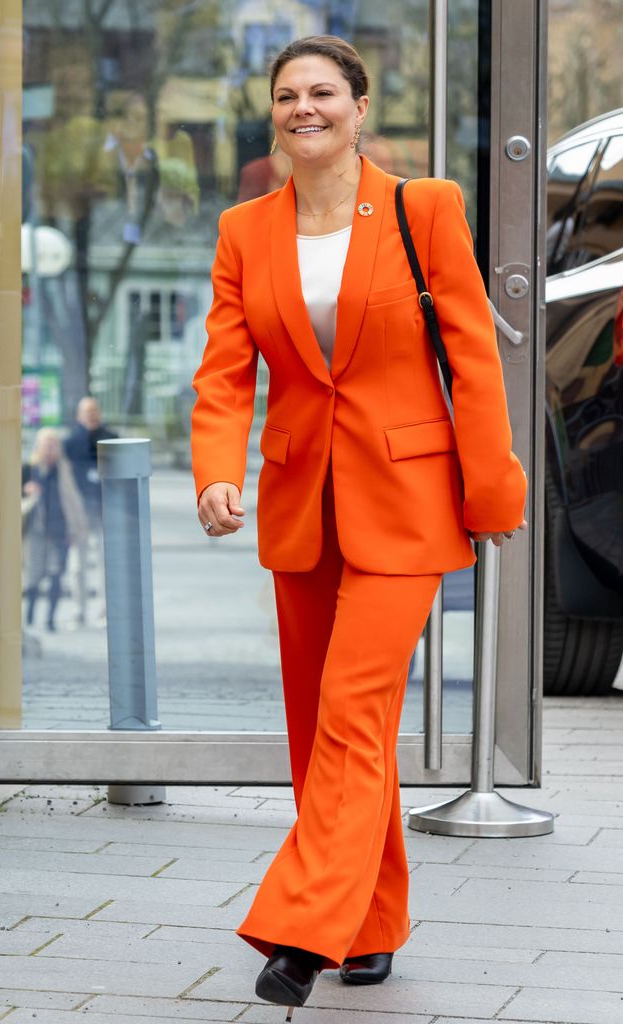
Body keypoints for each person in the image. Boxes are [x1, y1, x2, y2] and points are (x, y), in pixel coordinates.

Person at [190, 35, 528, 1020]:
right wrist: (217, 471)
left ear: (357, 106)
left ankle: (300, 931)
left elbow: (470, 357)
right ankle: (371, 923)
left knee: (351, 712)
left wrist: (490, 490)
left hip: (407, 502)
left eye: (321, 92)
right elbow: (223, 373)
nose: (304, 108)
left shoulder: (423, 209)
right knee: (322, 732)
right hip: (301, 501)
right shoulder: (243, 228)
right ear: (274, 113)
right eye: (286, 95)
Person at [22, 428, 87, 632]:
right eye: (46, 445)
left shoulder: (65, 470)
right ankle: (29, 617)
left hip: (60, 531)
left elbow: (74, 501)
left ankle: (50, 619)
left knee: (56, 574)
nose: (50, 449)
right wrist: (27, 492)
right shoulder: (29, 469)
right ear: (38, 447)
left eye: (53, 445)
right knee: (33, 575)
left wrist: (76, 529)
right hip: (35, 531)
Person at [64, 397, 117, 625]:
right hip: (80, 510)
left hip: (106, 509)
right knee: (78, 564)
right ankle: (79, 610)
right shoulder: (69, 442)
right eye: (87, 411)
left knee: (107, 562)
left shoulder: (112, 439)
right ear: (79, 416)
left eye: (94, 410)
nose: (91, 415)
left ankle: (106, 609)